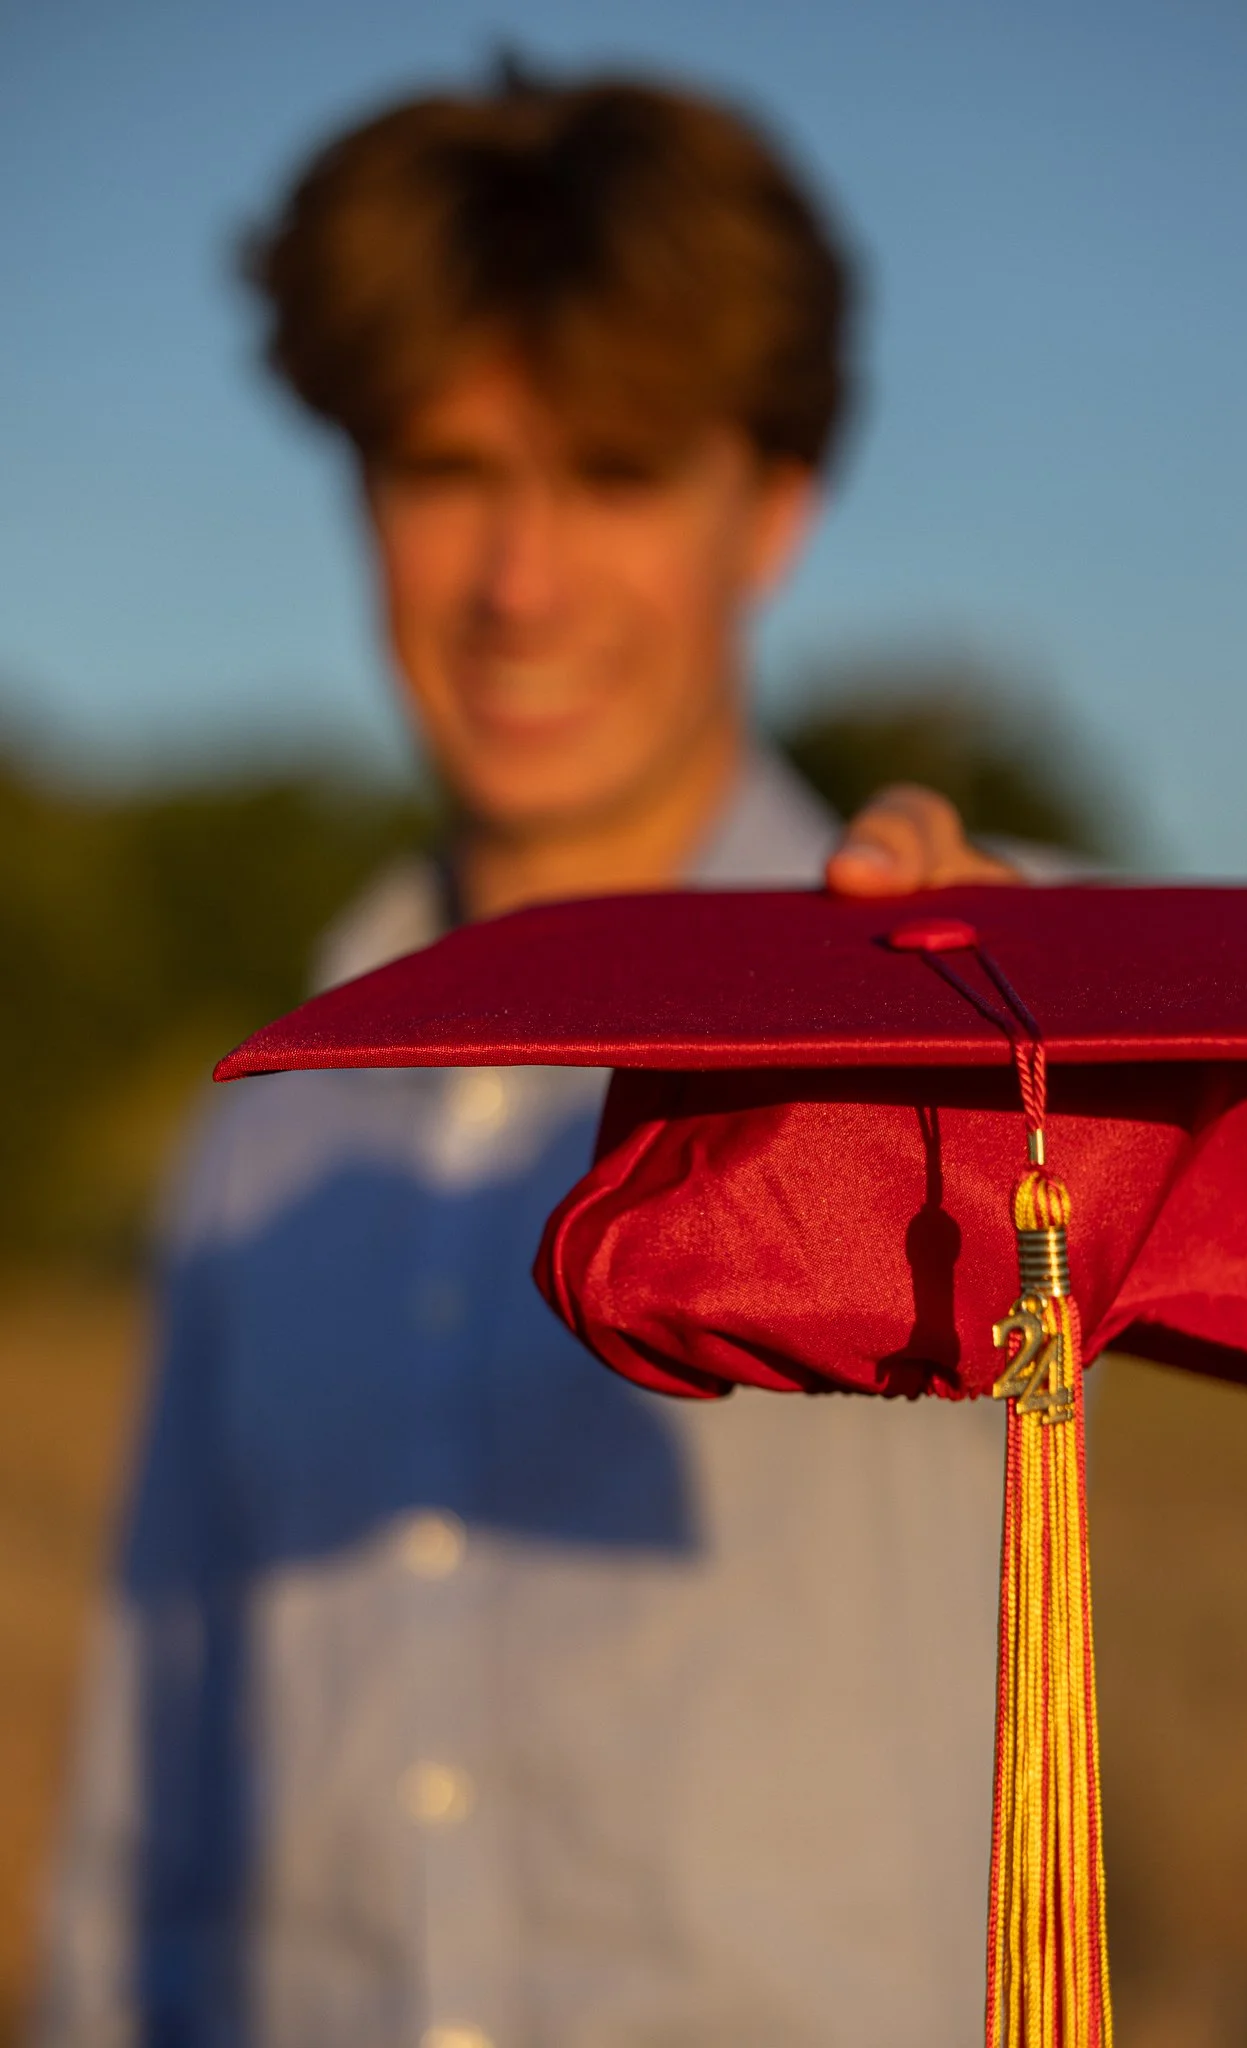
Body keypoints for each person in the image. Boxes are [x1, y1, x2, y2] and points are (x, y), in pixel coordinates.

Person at [35, 69, 1022, 2048]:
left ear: (779, 504)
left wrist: (1046, 1008)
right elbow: (144, 1810)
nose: (515, 578)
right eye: (441, 469)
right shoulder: (265, 1111)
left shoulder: (988, 1006)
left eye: (616, 470)